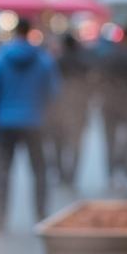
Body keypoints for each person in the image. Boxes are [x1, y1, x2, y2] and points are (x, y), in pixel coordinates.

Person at [0, 18, 60, 229]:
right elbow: (54, 92)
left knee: (3, 170)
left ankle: (0, 215)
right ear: (30, 31)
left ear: (14, 32)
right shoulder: (44, 60)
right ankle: (41, 214)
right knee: (40, 170)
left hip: (4, 122)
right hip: (35, 121)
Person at [46, 33, 92, 186]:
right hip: (79, 109)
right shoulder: (84, 63)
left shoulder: (56, 62)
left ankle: (61, 173)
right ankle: (72, 174)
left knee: (58, 143)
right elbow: (89, 87)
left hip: (59, 108)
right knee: (77, 144)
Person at [99, 27, 127, 181]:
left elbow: (100, 80)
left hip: (109, 103)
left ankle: (111, 174)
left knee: (110, 140)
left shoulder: (109, 56)